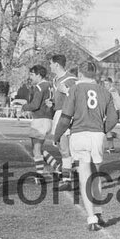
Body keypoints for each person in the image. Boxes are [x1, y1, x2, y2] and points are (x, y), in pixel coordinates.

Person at [52, 61, 118, 230]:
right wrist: (101, 130)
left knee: (84, 177)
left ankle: (91, 218)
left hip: (79, 135)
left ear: (80, 74)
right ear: (94, 74)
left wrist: (57, 135)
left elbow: (66, 117)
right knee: (95, 176)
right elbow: (113, 118)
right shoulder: (105, 91)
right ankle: (98, 212)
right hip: (97, 136)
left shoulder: (74, 89)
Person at [41, 55, 78, 191]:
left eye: (51, 64)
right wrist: (52, 103)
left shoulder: (71, 79)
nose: (49, 66)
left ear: (57, 64)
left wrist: (67, 91)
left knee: (65, 148)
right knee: (62, 146)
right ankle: (72, 172)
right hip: (58, 113)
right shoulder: (56, 79)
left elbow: (77, 97)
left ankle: (68, 179)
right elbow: (60, 98)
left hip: (66, 114)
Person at [21, 65, 54, 181]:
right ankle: (57, 167)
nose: (30, 77)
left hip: (41, 120)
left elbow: (35, 105)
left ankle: (40, 175)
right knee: (37, 149)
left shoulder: (40, 87)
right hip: (47, 119)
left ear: (39, 75)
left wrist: (23, 107)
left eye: (32, 74)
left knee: (36, 149)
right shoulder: (49, 85)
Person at [102, 77, 120, 152]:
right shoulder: (109, 91)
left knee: (106, 130)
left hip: (114, 113)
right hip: (111, 113)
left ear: (111, 84)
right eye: (104, 84)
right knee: (106, 130)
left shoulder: (112, 91)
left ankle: (111, 148)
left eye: (107, 84)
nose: (105, 85)